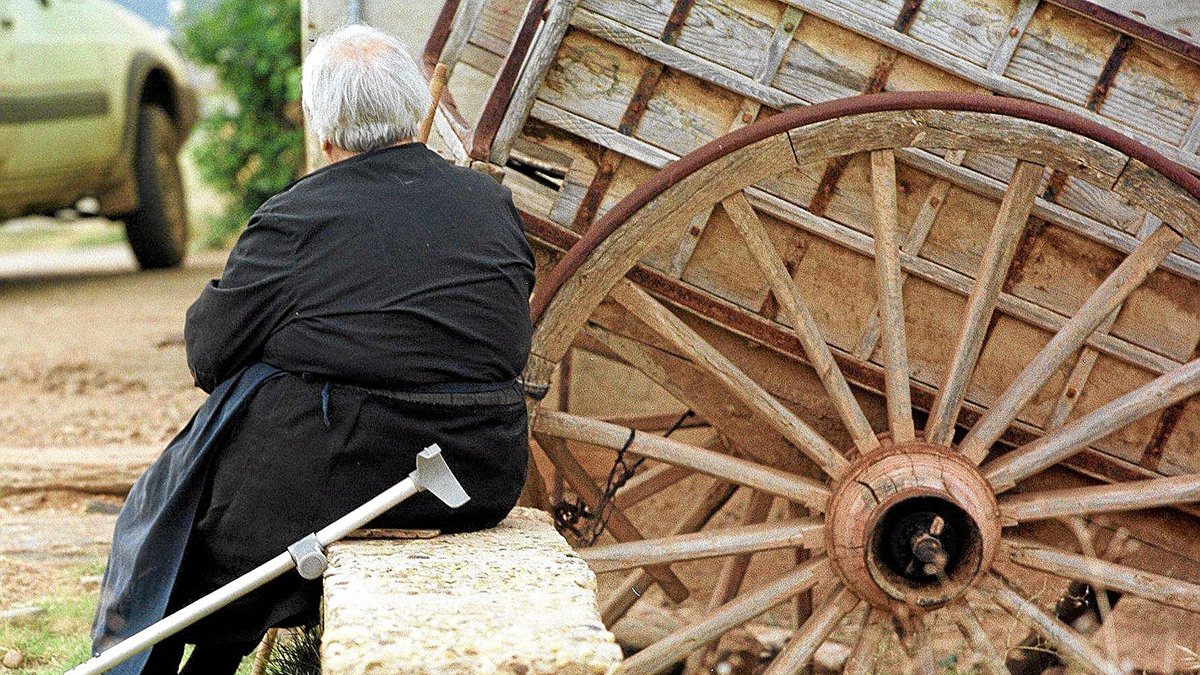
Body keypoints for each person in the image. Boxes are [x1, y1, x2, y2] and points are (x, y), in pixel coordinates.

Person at [90, 24, 536, 675]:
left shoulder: (297, 218)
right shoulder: (490, 204)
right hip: (481, 476)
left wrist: (295, 344)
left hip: (350, 474)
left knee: (176, 527)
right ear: (413, 107)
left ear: (324, 132)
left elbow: (208, 354)